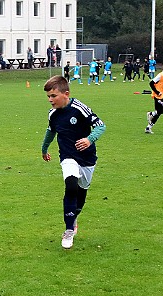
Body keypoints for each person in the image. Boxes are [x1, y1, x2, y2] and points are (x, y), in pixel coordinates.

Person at [41, 75, 106, 249]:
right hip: (68, 156)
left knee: (81, 193)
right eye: (48, 96)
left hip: (87, 158)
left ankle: (74, 218)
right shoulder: (53, 114)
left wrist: (89, 139)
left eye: (53, 96)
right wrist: (44, 148)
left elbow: (101, 125)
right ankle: (69, 229)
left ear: (66, 94)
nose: (50, 100)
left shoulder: (80, 108)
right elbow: (50, 132)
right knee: (70, 186)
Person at [145, 61, 163, 134]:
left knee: (158, 113)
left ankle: (148, 128)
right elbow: (151, 83)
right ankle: (151, 114)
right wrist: (157, 92)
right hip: (158, 96)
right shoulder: (160, 75)